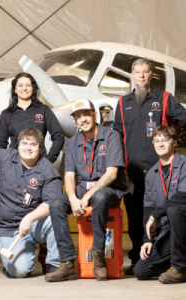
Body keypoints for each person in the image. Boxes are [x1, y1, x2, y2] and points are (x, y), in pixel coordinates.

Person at [113, 58, 186, 275]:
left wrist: (175, 138)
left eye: (145, 72)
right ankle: (138, 257)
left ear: (151, 75)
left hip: (162, 172)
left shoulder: (164, 99)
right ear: (132, 76)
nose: (141, 76)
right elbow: (117, 135)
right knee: (136, 218)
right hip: (131, 172)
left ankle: (175, 257)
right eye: (137, 72)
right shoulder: (122, 103)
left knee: (168, 212)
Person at [45, 99, 128, 282]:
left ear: (95, 115)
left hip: (109, 190)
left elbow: (112, 174)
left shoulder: (112, 136)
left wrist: (88, 195)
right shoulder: (73, 143)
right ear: (75, 121)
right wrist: (73, 199)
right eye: (78, 116)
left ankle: (98, 257)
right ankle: (67, 263)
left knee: (99, 196)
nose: (83, 119)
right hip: (83, 189)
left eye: (86, 114)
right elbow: (68, 176)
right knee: (56, 205)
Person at [0, 128, 62, 278]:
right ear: (18, 145)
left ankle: (54, 264)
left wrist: (29, 218)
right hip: (9, 227)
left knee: (57, 217)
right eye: (24, 143)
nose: (28, 147)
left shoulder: (48, 170)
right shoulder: (6, 156)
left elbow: (52, 203)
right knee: (19, 271)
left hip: (34, 223)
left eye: (33, 144)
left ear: (40, 147)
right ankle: (24, 254)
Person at [0, 72, 64, 273]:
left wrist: (48, 161)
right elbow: (0, 145)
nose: (24, 88)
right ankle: (19, 259)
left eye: (28, 85)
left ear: (33, 88)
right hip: (17, 169)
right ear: (15, 89)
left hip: (40, 170)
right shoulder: (6, 114)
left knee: (45, 208)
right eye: (20, 85)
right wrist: (10, 165)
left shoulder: (44, 111)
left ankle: (49, 262)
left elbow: (58, 136)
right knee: (16, 207)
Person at [134, 126, 186, 284]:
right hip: (169, 231)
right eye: (157, 141)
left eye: (165, 140)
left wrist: (156, 215)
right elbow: (148, 209)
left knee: (174, 210)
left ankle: (179, 268)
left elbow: (184, 195)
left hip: (183, 224)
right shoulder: (151, 173)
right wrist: (147, 240)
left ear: (174, 143)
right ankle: (177, 261)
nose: (160, 144)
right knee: (141, 271)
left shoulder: (184, 164)